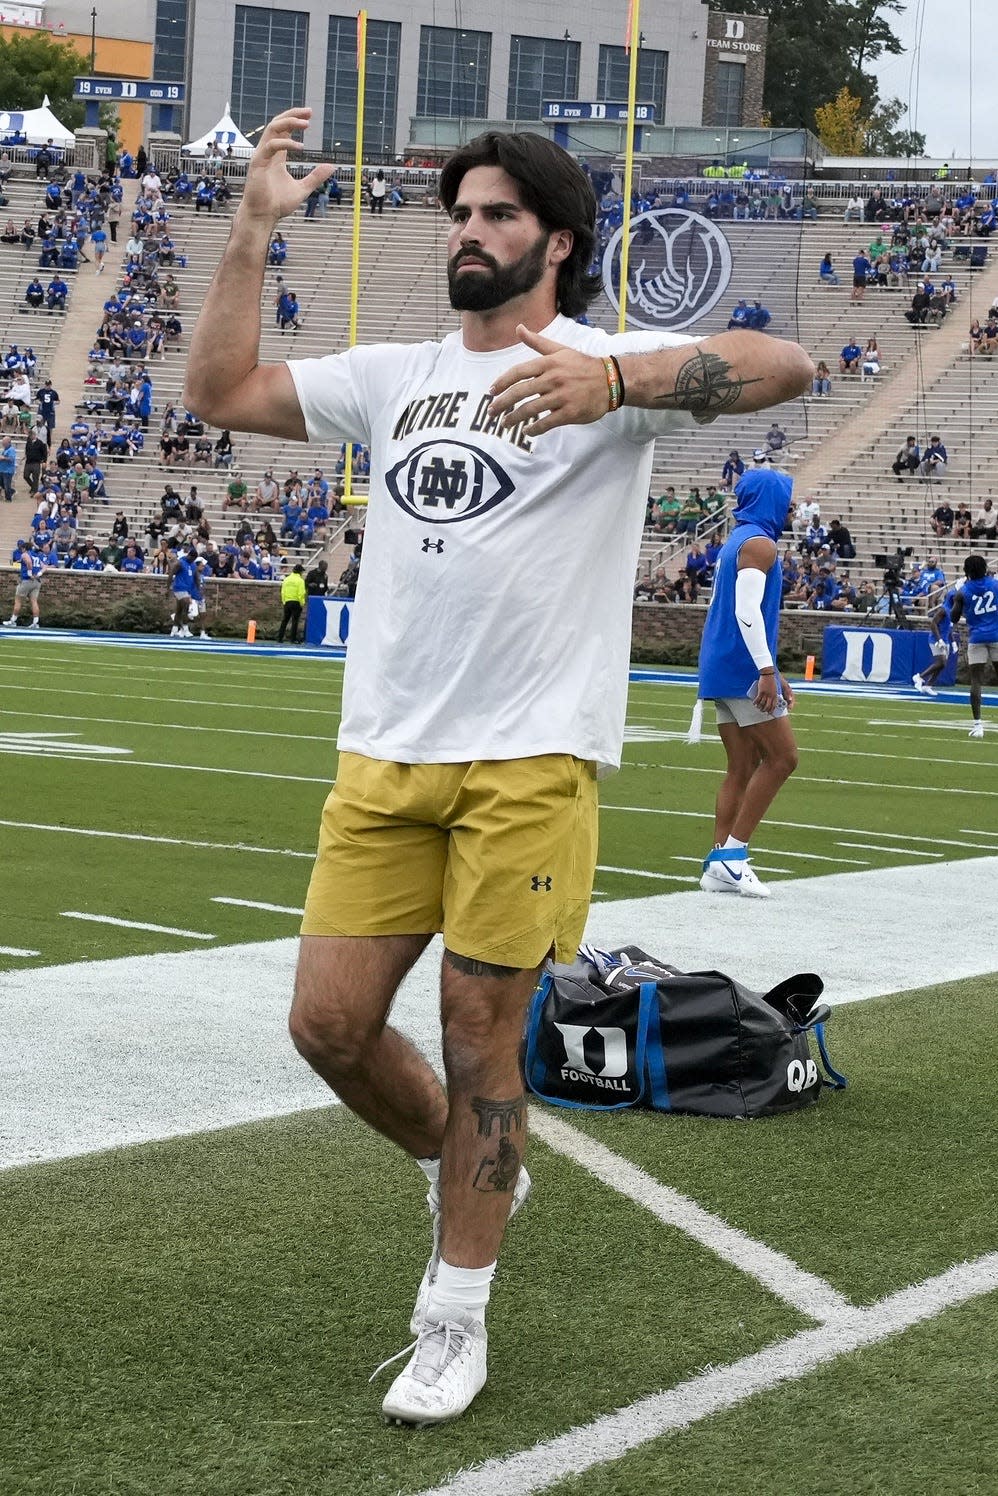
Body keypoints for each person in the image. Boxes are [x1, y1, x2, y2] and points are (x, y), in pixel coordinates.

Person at [181, 105, 812, 1427]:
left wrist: (623, 383)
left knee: (481, 1043)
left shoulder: (603, 363)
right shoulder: (395, 375)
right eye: (460, 214)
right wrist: (246, 235)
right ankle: (473, 1171)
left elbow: (784, 362)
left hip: (527, 764)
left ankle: (451, 1316)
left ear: (555, 239)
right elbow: (220, 393)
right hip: (383, 761)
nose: (470, 232)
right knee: (329, 1026)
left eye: (498, 215)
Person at [695, 456, 797, 899]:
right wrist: (766, 668)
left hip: (721, 663)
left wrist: (773, 666)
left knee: (742, 765)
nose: (790, 508)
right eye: (786, 499)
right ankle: (733, 857)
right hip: (741, 667)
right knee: (783, 758)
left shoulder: (737, 540)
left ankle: (719, 860)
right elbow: (746, 611)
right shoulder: (760, 544)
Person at [948, 555, 998, 736]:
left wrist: (956, 598)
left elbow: (953, 617)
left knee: (976, 681)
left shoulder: (963, 591)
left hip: (977, 637)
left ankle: (978, 725)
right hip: (996, 635)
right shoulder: (995, 584)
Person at [913, 587, 958, 696]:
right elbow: (933, 624)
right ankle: (919, 677)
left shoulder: (952, 610)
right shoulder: (943, 610)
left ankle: (928, 685)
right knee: (941, 662)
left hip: (945, 640)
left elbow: (949, 628)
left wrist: (953, 642)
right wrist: (939, 639)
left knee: (942, 665)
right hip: (936, 639)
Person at [3, 539, 43, 627]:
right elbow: (44, 566)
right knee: (34, 601)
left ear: (25, 548)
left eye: (22, 548)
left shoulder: (25, 554)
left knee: (18, 601)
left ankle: (12, 621)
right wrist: (39, 574)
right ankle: (35, 622)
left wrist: (29, 574)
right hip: (37, 581)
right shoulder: (36, 555)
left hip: (27, 580)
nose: (21, 550)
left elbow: (28, 562)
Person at [278, 560, 307, 642]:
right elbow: (301, 593)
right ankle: (293, 638)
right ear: (300, 572)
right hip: (296, 602)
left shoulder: (286, 579)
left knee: (285, 620)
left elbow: (283, 591)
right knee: (295, 621)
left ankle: (280, 637)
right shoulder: (300, 581)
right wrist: (302, 603)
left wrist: (284, 601)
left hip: (287, 602)